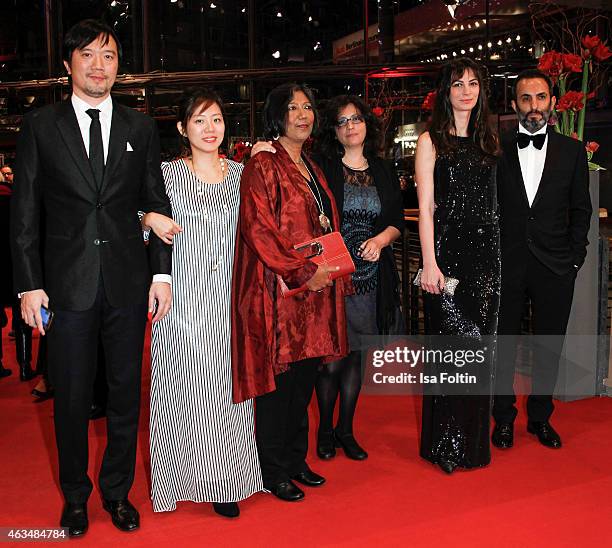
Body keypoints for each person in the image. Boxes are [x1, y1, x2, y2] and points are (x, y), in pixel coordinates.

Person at [10, 19, 172, 537]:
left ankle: (117, 493)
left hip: (127, 283)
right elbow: (24, 216)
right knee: (73, 398)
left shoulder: (140, 128)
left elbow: (155, 203)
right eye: (88, 55)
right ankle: (75, 496)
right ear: (68, 64)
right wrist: (28, 284)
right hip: (66, 285)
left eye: (109, 56)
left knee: (126, 394)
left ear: (118, 67)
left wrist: (161, 274)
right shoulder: (40, 127)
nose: (99, 65)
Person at [143, 88, 264, 518]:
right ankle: (176, 480)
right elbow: (138, 224)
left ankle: (224, 480)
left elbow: (261, 232)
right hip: (180, 296)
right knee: (181, 388)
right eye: (199, 120)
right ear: (182, 128)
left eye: (215, 119)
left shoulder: (243, 174)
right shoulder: (165, 175)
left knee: (227, 389)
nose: (209, 128)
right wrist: (145, 219)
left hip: (231, 296)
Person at [232, 83, 350, 502]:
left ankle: (296, 460)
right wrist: (303, 273)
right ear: (277, 115)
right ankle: (273, 469)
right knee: (279, 388)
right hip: (281, 293)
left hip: (316, 294)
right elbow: (258, 230)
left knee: (303, 384)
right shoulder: (262, 164)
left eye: (308, 107)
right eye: (293, 107)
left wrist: (327, 272)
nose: (303, 114)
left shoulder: (312, 166)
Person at [492, 69, 591, 450]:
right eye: (526, 99)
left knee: (549, 346)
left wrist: (575, 258)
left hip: (555, 267)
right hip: (509, 264)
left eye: (541, 98)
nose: (534, 106)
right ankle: (502, 419)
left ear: (552, 102)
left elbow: (581, 209)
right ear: (515, 104)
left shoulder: (572, 151)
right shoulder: (497, 149)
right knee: (504, 346)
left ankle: (540, 418)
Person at [415, 58, 500, 474]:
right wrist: (429, 265)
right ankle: (446, 444)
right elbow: (426, 208)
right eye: (457, 84)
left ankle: (473, 444)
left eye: (473, 83)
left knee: (479, 349)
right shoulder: (430, 140)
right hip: (447, 254)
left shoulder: (490, 140)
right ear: (445, 92)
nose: (466, 90)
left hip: (487, 258)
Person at [312, 95, 403, 460]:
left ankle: (345, 430)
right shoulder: (322, 167)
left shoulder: (382, 169)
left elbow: (396, 220)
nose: (350, 126)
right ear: (334, 131)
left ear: (367, 125)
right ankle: (323, 430)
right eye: (342, 121)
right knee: (331, 358)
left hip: (370, 277)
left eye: (356, 119)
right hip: (333, 277)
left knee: (356, 358)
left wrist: (381, 240)